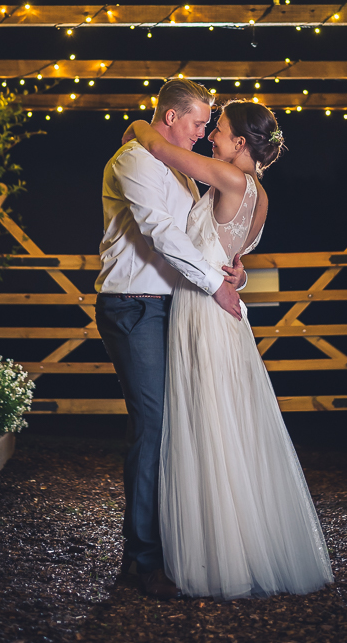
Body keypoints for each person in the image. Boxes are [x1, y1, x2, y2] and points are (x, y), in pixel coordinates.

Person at [123, 98, 333, 600]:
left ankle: (214, 555)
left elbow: (158, 147)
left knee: (205, 422)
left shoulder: (227, 176)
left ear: (240, 143)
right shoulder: (260, 196)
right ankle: (234, 541)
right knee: (227, 422)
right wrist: (239, 273)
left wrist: (134, 120)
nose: (211, 136)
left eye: (217, 129)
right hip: (228, 312)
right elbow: (231, 257)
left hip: (201, 309)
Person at [95, 79, 245, 600]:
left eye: (209, 125)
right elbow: (162, 235)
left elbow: (198, 237)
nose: (205, 134)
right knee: (153, 425)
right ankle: (141, 560)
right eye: (200, 122)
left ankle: (171, 547)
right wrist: (214, 287)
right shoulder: (134, 161)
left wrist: (230, 275)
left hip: (172, 307)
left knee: (176, 424)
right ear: (170, 117)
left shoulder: (178, 170)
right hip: (134, 306)